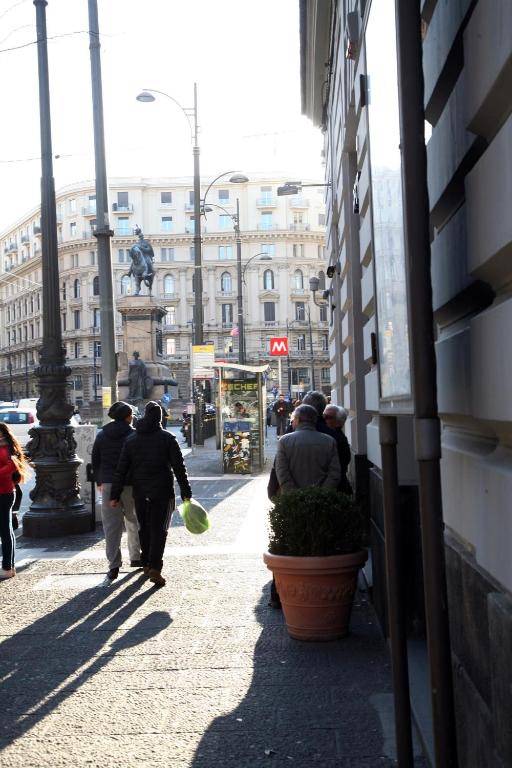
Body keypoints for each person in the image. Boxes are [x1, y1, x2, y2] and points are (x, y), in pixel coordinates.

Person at [110, 401, 192, 588]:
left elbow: (121, 469)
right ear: (160, 418)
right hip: (162, 491)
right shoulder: (168, 438)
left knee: (144, 528)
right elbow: (179, 468)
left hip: (140, 492)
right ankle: (155, 566)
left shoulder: (132, 439)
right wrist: (186, 492)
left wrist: (114, 495)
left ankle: (146, 562)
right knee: (160, 530)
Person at [91, 401, 141, 582]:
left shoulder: (102, 435)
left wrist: (99, 481)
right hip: (130, 484)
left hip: (108, 484)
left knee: (111, 527)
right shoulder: (134, 435)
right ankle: (136, 557)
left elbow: (95, 459)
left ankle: (113, 565)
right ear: (128, 417)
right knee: (134, 520)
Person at [275, 404, 341, 492]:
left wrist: (293, 494)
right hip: (322, 497)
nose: (292, 422)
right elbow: (334, 473)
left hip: (292, 498)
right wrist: (323, 493)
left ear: (297, 420)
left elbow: (282, 472)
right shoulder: (329, 441)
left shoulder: (284, 441)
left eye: (293, 420)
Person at [0, 423, 29, 580]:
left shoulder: (7, 448)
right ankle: (8, 567)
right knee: (6, 530)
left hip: (4, 493)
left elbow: (11, 467)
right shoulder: (7, 447)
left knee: (5, 530)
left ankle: (7, 567)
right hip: (5, 492)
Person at [323, 404, 352, 495]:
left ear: (339, 422)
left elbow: (342, 463)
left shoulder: (339, 439)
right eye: (323, 416)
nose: (324, 419)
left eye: (328, 417)